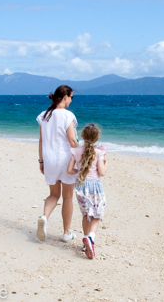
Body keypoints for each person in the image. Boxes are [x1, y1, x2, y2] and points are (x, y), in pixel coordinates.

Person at [36, 85, 79, 243]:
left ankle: (44, 217)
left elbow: (41, 141)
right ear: (66, 96)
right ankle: (66, 233)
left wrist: (41, 161)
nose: (71, 101)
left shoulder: (44, 115)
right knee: (67, 197)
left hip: (49, 159)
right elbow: (72, 140)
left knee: (54, 194)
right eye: (71, 97)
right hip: (66, 160)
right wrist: (83, 157)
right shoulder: (68, 115)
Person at [67, 123, 107, 260]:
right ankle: (91, 238)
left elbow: (69, 170)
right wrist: (105, 162)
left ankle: (85, 242)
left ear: (83, 136)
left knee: (86, 215)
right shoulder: (99, 152)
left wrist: (78, 171)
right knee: (96, 215)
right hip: (94, 186)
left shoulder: (76, 151)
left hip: (81, 185)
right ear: (97, 138)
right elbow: (101, 172)